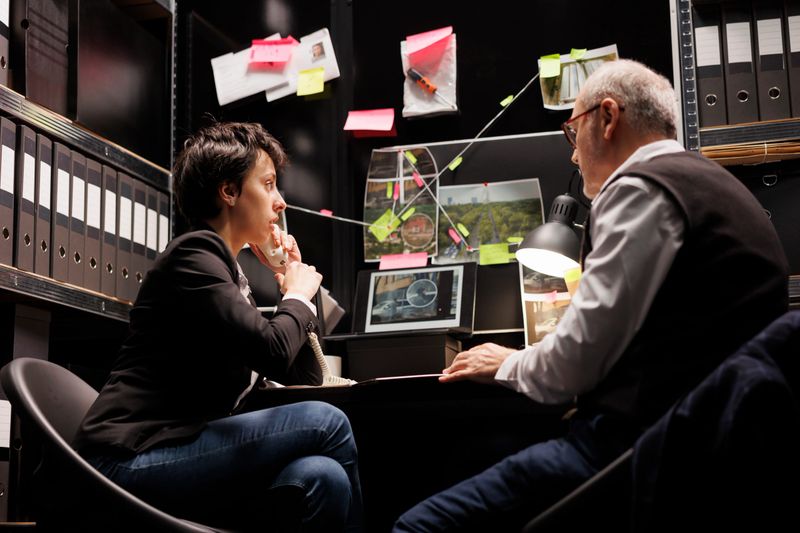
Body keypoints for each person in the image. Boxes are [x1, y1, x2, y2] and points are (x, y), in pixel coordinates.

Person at [394, 59, 789, 531]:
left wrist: (504, 363)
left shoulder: (640, 191)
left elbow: (572, 366)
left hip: (640, 452)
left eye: (571, 131)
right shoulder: (717, 185)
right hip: (711, 457)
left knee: (418, 525)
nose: (573, 155)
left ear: (607, 118)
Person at [73, 121, 363, 532]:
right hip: (127, 460)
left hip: (179, 448)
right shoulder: (195, 254)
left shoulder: (228, 276)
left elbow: (307, 375)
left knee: (323, 476)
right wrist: (295, 298)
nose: (281, 202)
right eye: (268, 184)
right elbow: (274, 353)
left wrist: (296, 283)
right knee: (325, 422)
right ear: (229, 192)